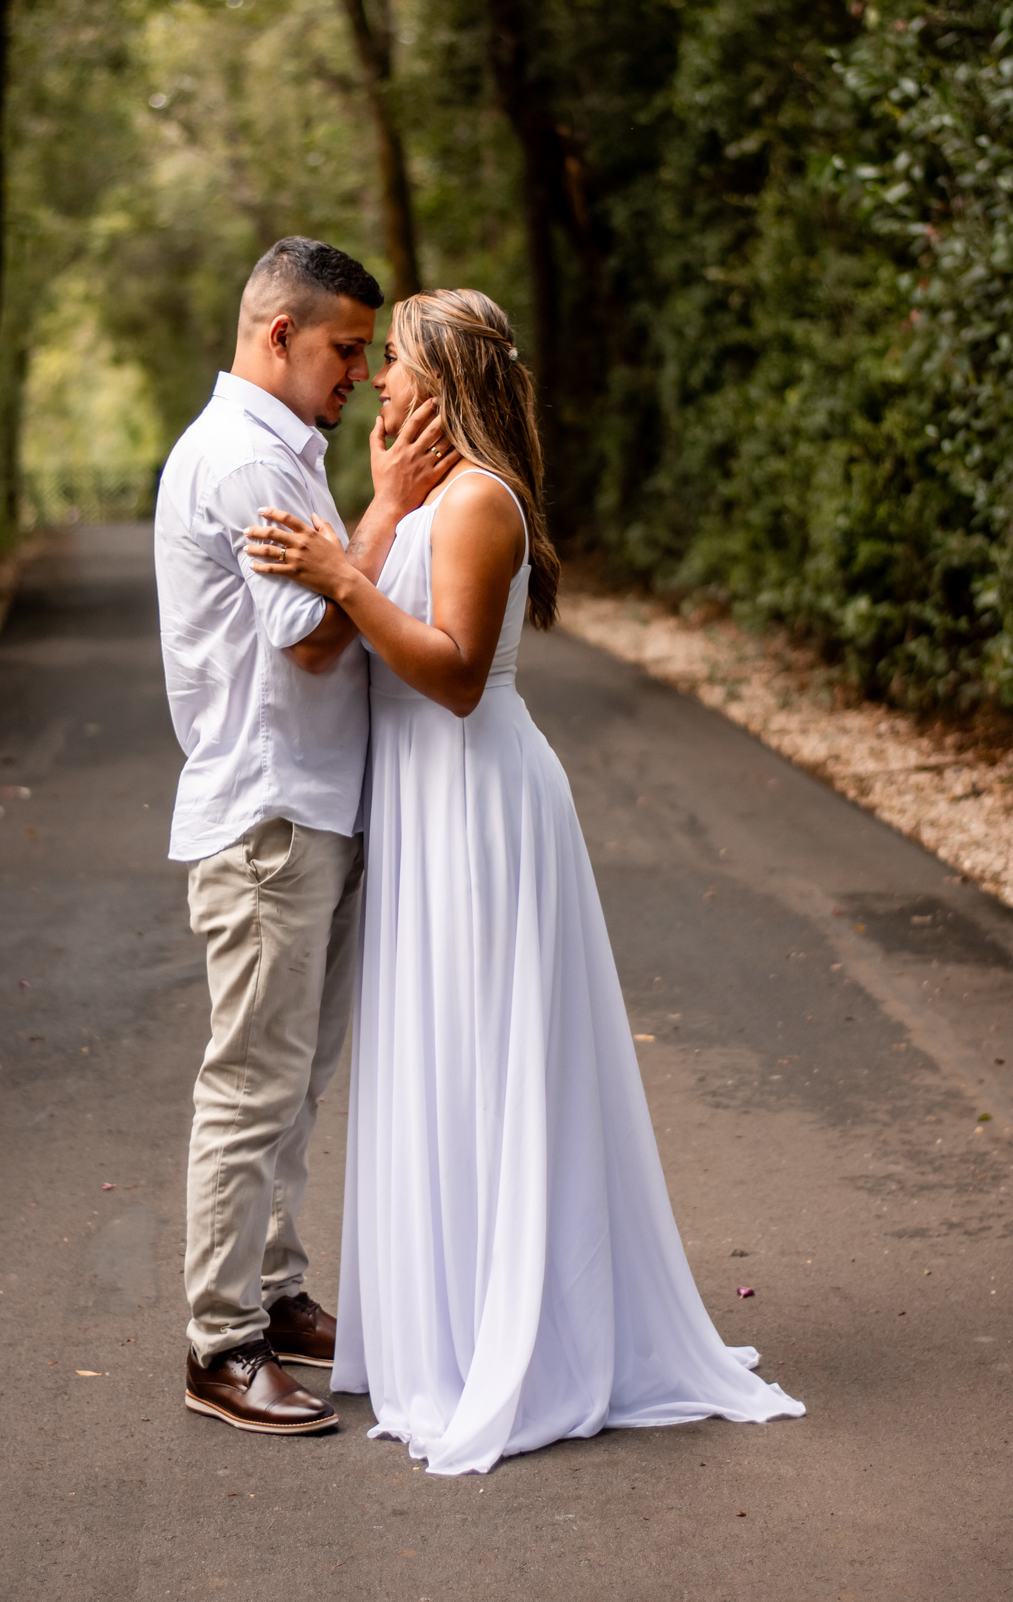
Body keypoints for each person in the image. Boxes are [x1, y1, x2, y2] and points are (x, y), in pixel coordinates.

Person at [246, 287, 806, 1474]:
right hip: (423, 808)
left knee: (493, 1061)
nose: (380, 382)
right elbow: (335, 611)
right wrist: (364, 538)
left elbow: (450, 677)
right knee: (440, 1059)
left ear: (444, 382)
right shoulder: (419, 499)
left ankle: (526, 1336)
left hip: (481, 804)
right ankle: (445, 1321)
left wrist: (346, 577)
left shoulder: (483, 504)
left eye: (394, 363)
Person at [155, 238, 456, 1436]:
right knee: (251, 1086)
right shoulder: (242, 459)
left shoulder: (287, 450)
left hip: (313, 807)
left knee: (297, 1085)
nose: (358, 374)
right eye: (343, 349)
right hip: (269, 815)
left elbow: (335, 601)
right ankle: (219, 1345)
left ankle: (276, 1298)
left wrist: (357, 530)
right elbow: (316, 640)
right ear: (277, 334)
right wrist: (387, 510)